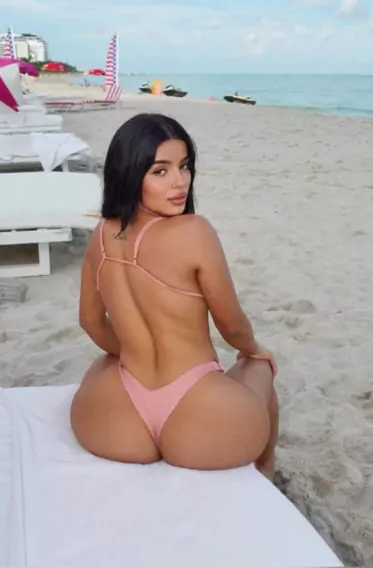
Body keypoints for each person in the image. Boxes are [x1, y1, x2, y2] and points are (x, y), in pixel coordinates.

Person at [70, 113, 279, 479]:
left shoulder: (100, 235)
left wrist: (135, 350)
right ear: (130, 174)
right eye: (160, 171)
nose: (179, 182)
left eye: (184, 166)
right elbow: (232, 325)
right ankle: (267, 467)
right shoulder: (194, 232)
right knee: (260, 365)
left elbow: (90, 321)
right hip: (197, 415)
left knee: (105, 362)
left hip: (116, 424)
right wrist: (253, 349)